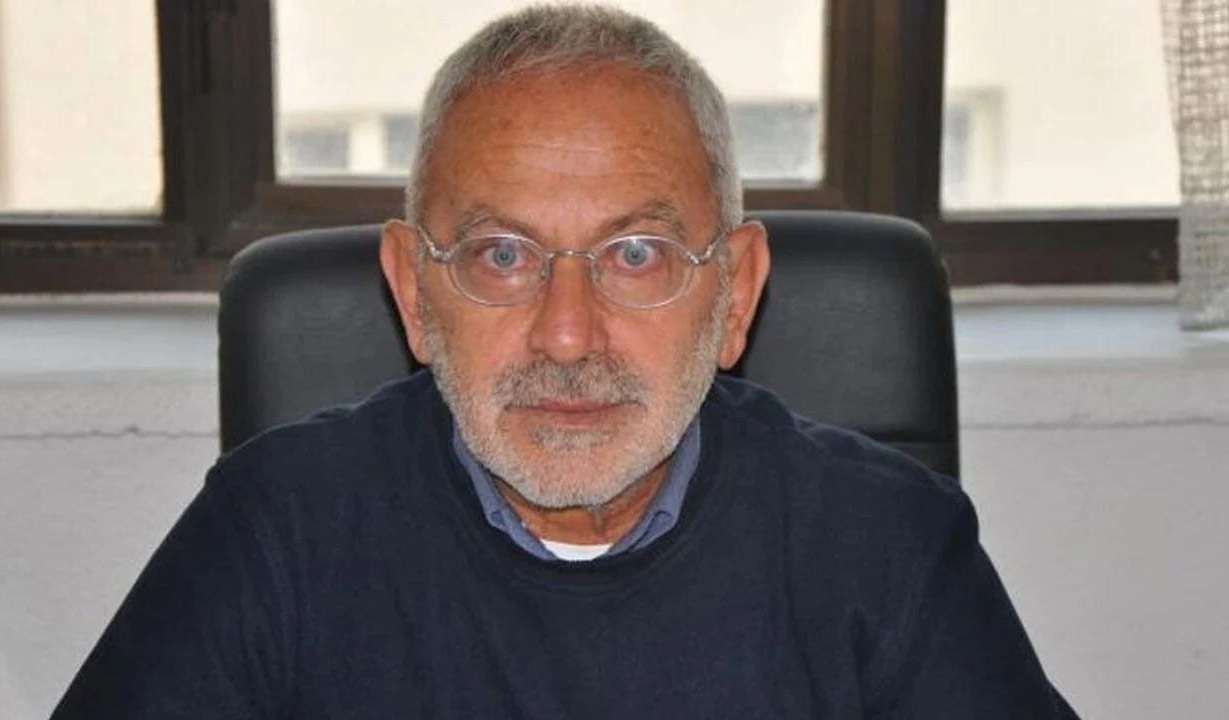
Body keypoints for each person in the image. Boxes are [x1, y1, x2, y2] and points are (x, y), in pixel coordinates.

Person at [53, 5, 1077, 718]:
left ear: (733, 295)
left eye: (636, 255)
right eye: (502, 256)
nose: (568, 335)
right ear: (414, 292)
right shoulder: (276, 529)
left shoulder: (886, 544)